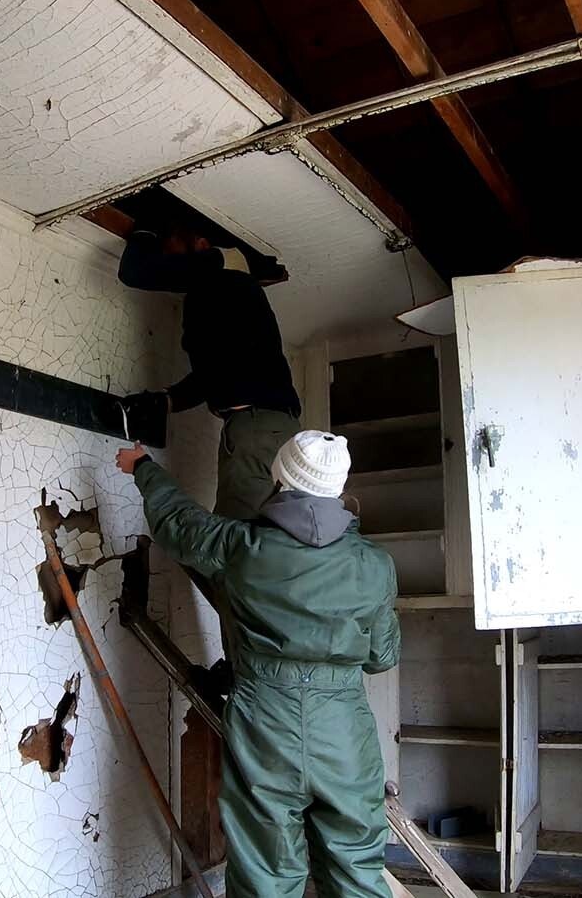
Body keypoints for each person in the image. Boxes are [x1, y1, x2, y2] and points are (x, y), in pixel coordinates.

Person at [116, 431, 399, 898]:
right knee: (356, 870)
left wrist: (144, 467)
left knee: (265, 874)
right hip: (344, 730)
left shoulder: (239, 547)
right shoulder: (375, 564)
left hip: (265, 722)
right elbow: (382, 657)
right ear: (338, 486)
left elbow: (179, 523)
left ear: (280, 476)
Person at [117, 226, 301, 522]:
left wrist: (144, 230)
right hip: (269, 425)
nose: (168, 260)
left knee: (235, 540)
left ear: (201, 243)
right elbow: (213, 373)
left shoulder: (219, 263)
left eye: (170, 249)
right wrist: (166, 402)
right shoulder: (229, 292)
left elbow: (134, 271)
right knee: (260, 532)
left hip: (256, 427)